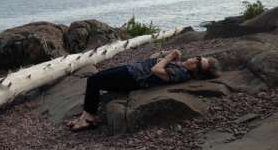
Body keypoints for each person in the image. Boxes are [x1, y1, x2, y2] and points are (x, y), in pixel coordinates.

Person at [66, 49, 221, 131]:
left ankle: (89, 117)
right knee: (96, 78)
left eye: (199, 64)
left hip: (134, 78)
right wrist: (168, 56)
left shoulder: (181, 74)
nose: (195, 60)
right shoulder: (180, 65)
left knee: (94, 80)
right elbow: (154, 58)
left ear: (197, 72)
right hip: (133, 69)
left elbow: (156, 70)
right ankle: (85, 115)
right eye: (199, 58)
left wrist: (169, 56)